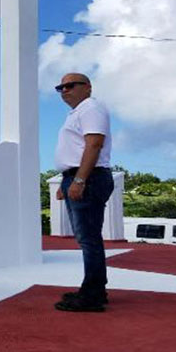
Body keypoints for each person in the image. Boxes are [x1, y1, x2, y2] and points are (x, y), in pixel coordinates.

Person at [53, 73, 114, 312]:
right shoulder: (79, 111)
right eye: (61, 87)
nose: (64, 90)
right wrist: (66, 181)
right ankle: (94, 289)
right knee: (87, 238)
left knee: (89, 239)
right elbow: (76, 148)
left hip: (88, 177)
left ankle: (92, 295)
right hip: (78, 177)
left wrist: (79, 180)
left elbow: (94, 144)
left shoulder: (91, 108)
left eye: (70, 85)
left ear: (87, 87)